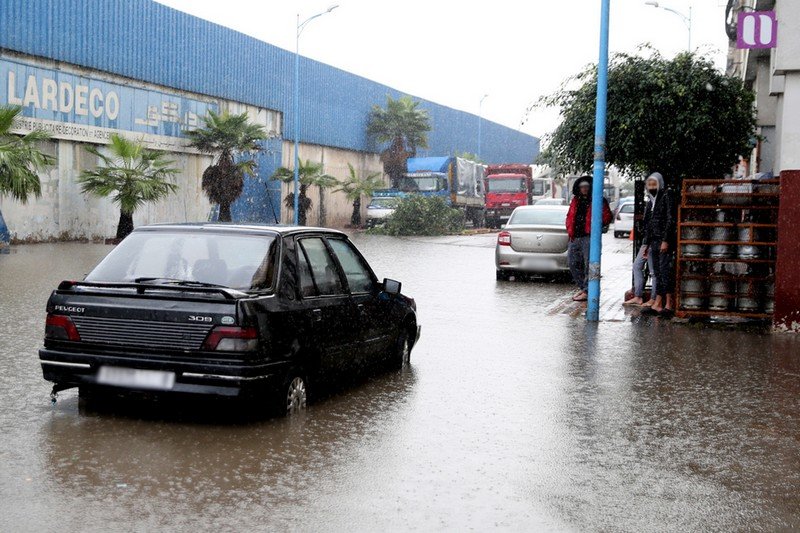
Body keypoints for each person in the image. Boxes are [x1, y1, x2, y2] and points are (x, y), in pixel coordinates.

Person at [565, 176, 613, 302]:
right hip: (575, 237)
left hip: (589, 237)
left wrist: (595, 225)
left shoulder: (598, 200)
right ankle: (585, 288)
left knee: (590, 265)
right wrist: (569, 229)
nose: (584, 189)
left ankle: (588, 290)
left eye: (586, 186)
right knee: (572, 263)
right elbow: (569, 216)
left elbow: (607, 217)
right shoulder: (576, 200)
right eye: (582, 187)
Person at [640, 172, 675, 314]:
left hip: (662, 240)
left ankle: (668, 303)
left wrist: (666, 240)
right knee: (658, 272)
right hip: (654, 241)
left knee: (664, 271)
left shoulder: (667, 196)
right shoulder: (651, 200)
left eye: (654, 183)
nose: (652, 187)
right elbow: (648, 224)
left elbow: (670, 218)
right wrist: (646, 244)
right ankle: (658, 302)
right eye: (650, 184)